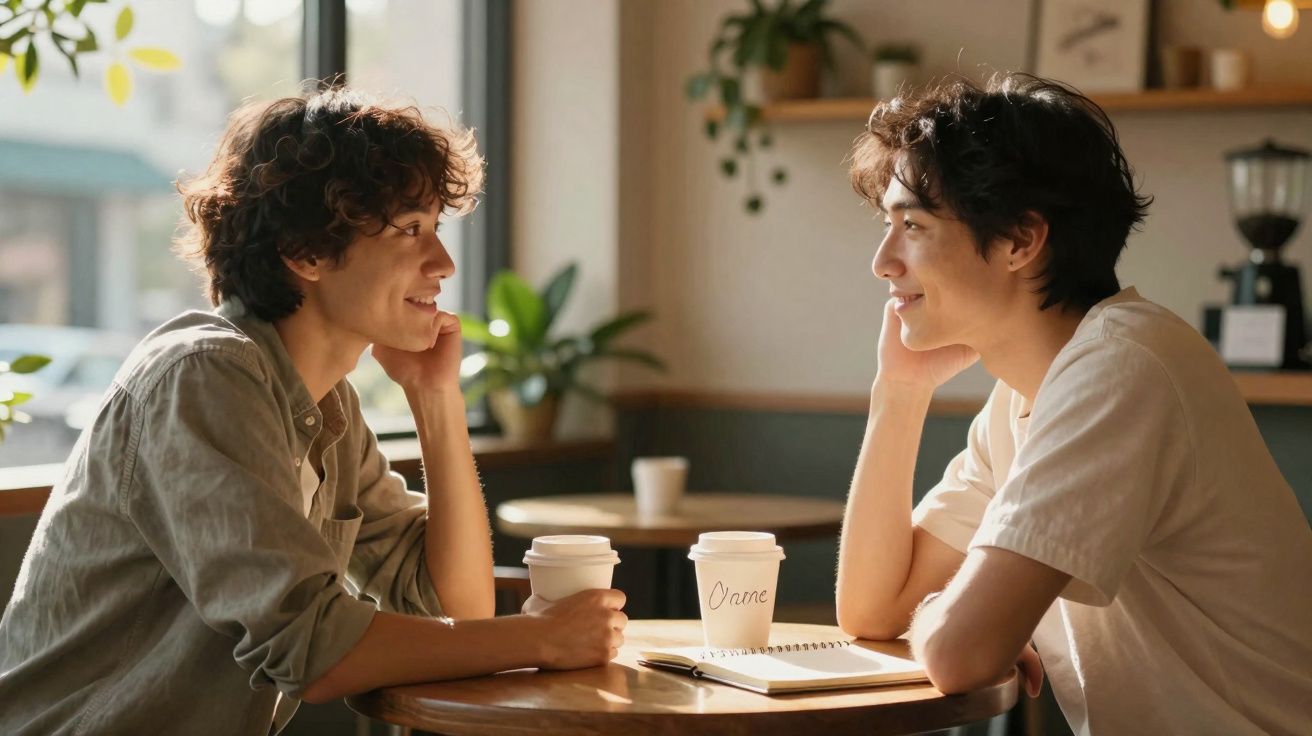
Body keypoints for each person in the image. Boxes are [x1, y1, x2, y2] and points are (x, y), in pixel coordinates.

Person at [0, 88, 626, 736]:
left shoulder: (324, 403)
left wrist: (436, 402)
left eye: (436, 229)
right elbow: (312, 648)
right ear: (307, 251)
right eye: (411, 229)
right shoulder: (205, 376)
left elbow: (450, 604)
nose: (443, 264)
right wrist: (539, 641)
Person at [835, 73, 1312, 734]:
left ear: (1020, 241)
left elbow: (959, 652)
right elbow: (871, 608)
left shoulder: (1123, 370)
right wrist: (902, 392)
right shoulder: (1023, 401)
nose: (882, 263)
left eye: (912, 225)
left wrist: (949, 616)